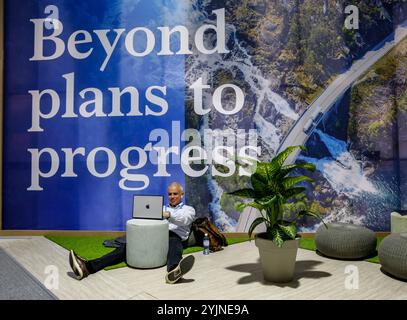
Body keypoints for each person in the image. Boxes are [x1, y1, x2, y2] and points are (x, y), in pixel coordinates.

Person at [69, 182, 196, 284]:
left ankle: (174, 271)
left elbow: (184, 220)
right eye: (170, 194)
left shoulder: (188, 209)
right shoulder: (160, 207)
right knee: (128, 247)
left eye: (175, 193)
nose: (172, 196)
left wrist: (168, 215)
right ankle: (88, 267)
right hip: (156, 236)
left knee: (173, 241)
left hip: (176, 237)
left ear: (182, 194)